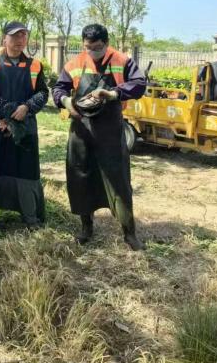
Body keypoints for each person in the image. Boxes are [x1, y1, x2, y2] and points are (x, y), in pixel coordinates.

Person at [53, 24, 147, 249]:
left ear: (106, 43)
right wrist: (66, 102)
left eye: (97, 47)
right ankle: (86, 228)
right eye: (88, 47)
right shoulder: (75, 64)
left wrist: (113, 93)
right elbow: (59, 89)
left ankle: (129, 233)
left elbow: (139, 84)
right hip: (81, 129)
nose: (92, 51)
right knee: (81, 177)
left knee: (118, 179)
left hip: (110, 131)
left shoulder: (122, 61)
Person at [0, 22, 49, 228]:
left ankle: (30, 217)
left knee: (26, 169)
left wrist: (27, 107)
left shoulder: (35, 65)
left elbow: (43, 93)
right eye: (14, 36)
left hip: (25, 128)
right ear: (4, 38)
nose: (19, 40)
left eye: (23, 36)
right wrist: (8, 113)